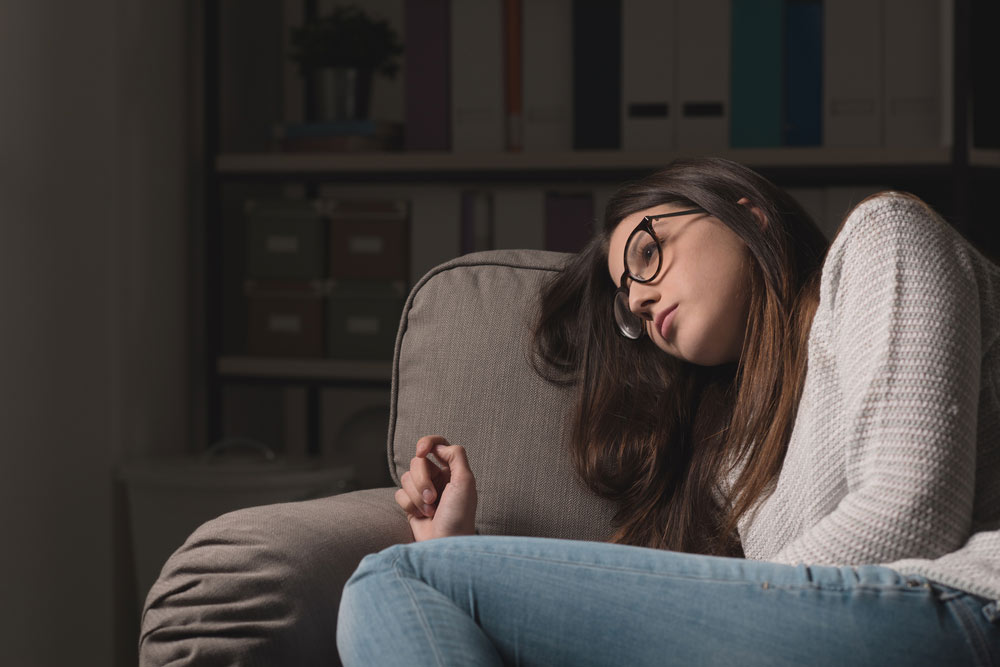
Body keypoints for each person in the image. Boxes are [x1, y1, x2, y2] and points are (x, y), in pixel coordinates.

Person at [336, 158, 1000, 665]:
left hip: (963, 606)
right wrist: (458, 550)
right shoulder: (739, 457)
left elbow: (912, 511)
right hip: (850, 632)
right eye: (628, 304)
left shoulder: (882, 239)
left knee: (397, 577)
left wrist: (455, 573)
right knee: (414, 579)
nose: (642, 302)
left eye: (648, 254)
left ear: (747, 213)